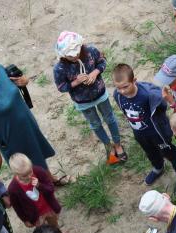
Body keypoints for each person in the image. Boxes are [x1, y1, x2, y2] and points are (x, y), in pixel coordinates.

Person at [0, 53, 68, 184]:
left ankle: (50, 180)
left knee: (38, 157)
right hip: (13, 138)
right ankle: (39, 195)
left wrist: (24, 81)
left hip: (27, 125)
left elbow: (16, 84)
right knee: (26, 170)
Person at [112, 63, 176, 193]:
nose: (122, 91)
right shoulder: (117, 95)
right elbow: (123, 109)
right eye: (118, 88)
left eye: (125, 86)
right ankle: (158, 167)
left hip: (157, 133)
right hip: (140, 133)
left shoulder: (148, 95)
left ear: (134, 81)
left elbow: (161, 107)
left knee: (169, 152)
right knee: (150, 151)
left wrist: (161, 125)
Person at [53, 31, 126, 162]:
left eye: (77, 51)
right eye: (70, 55)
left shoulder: (90, 51)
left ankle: (118, 144)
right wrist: (76, 82)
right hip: (83, 101)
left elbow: (102, 62)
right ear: (63, 55)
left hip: (100, 93)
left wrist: (94, 73)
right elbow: (61, 87)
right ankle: (109, 146)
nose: (75, 55)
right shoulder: (59, 68)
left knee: (110, 118)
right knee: (95, 124)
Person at [8, 153, 61, 230]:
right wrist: (25, 220)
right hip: (36, 215)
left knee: (54, 225)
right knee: (43, 231)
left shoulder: (39, 172)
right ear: (16, 174)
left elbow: (51, 188)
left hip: (48, 207)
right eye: (24, 175)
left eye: (30, 171)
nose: (29, 176)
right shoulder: (13, 188)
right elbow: (17, 207)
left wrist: (40, 186)